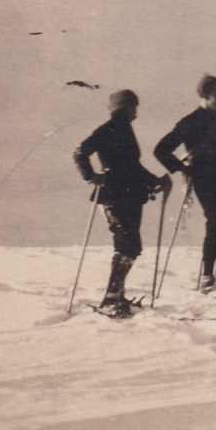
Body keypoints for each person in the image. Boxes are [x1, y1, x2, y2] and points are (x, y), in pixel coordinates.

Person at [73, 89, 172, 317]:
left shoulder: (123, 129)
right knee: (128, 245)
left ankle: (117, 296)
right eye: (134, 106)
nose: (136, 111)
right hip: (114, 197)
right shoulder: (109, 129)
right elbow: (79, 152)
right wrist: (92, 177)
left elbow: (131, 167)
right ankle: (110, 298)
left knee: (128, 246)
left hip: (127, 196)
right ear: (125, 107)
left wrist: (154, 181)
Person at [155, 74, 216, 296]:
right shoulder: (190, 121)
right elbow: (161, 149)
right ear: (205, 95)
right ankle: (208, 279)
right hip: (203, 178)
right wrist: (182, 169)